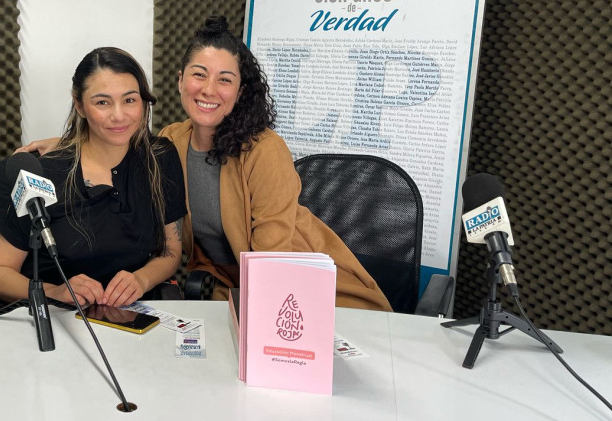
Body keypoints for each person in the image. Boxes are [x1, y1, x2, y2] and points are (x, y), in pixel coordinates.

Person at [20, 18, 390, 311]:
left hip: (307, 295)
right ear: (180, 80)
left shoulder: (264, 150)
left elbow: (272, 264)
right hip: (228, 293)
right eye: (199, 74)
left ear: (239, 91)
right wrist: (68, 143)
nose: (209, 89)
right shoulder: (171, 141)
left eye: (224, 79)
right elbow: (118, 141)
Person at [0, 47, 186, 308]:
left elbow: (171, 251)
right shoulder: (46, 173)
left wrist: (142, 280)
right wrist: (55, 292)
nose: (119, 115)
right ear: (79, 105)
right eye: (102, 102)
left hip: (128, 316)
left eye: (130, 100)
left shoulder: (161, 157)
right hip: (55, 317)